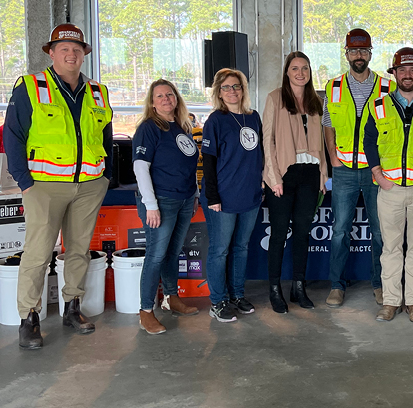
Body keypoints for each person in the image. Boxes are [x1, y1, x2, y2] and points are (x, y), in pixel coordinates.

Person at [4, 23, 113, 350]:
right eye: (63, 48)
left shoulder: (97, 91)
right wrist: (24, 182)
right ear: (51, 53)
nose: (71, 54)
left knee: (78, 250)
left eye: (77, 50)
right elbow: (13, 136)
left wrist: (105, 177)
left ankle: (72, 308)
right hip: (44, 186)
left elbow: (105, 136)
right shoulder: (31, 87)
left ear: (84, 55)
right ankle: (29, 318)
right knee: (37, 253)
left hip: (89, 186)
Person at [364, 47, 413, 323]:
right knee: (391, 248)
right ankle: (390, 302)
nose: (408, 75)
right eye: (402, 70)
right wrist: (378, 175)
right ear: (394, 74)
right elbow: (369, 143)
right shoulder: (378, 106)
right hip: (390, 189)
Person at [322, 29, 395, 308]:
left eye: (364, 51)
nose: (359, 56)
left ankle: (380, 284)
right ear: (346, 54)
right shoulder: (334, 87)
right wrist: (333, 157)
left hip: (377, 171)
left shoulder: (387, 88)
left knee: (380, 231)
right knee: (340, 229)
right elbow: (328, 124)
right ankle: (337, 285)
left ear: (371, 53)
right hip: (344, 170)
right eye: (354, 51)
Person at [132, 79, 201, 335]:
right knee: (156, 256)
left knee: (173, 253)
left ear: (176, 98)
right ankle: (146, 311)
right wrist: (151, 205)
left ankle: (172, 298)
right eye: (159, 96)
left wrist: (193, 193)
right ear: (152, 102)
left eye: (169, 95)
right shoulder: (149, 128)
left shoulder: (183, 127)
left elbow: (189, 164)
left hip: (184, 199)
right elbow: (140, 167)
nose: (165, 99)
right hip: (161, 201)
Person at [262, 52, 327, 313]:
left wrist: (323, 175)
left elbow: (323, 141)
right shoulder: (275, 98)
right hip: (283, 175)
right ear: (287, 71)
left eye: (305, 68)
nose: (301, 73)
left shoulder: (316, 101)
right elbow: (268, 140)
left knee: (303, 233)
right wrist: (273, 177)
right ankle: (275, 289)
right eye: (295, 68)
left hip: (310, 174)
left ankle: (298, 286)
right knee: (279, 235)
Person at [201, 68, 264, 323]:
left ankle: (237, 295)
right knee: (219, 250)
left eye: (236, 86)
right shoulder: (215, 121)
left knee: (241, 248)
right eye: (225, 87)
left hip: (249, 196)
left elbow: (259, 156)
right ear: (218, 92)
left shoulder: (254, 117)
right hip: (222, 198)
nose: (232, 91)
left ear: (243, 89)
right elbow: (208, 161)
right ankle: (218, 301)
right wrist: (213, 197)